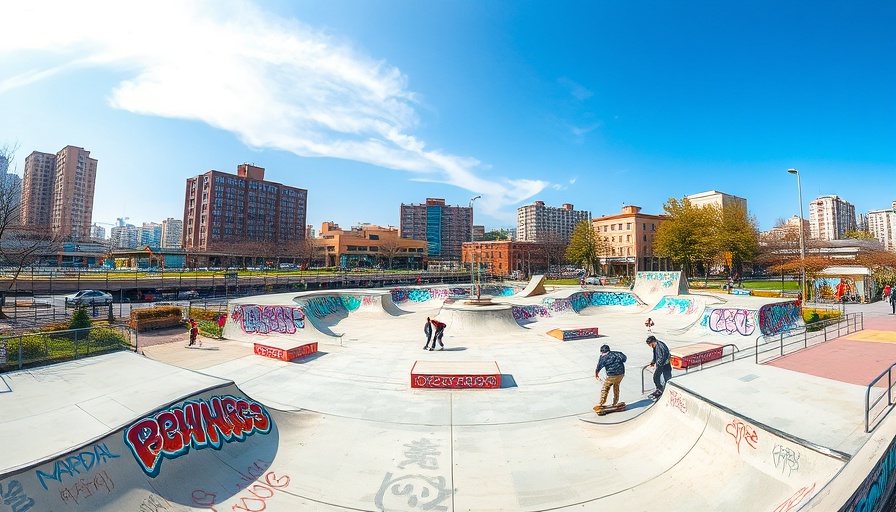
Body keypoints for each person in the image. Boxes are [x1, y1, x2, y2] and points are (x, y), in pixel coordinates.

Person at [646, 335, 671, 399]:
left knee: (665, 377)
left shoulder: (660, 347)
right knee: (657, 377)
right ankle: (660, 389)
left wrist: (658, 365)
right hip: (661, 364)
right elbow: (655, 355)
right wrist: (653, 362)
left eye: (649, 344)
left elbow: (662, 357)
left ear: (653, 342)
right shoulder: (655, 346)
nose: (649, 346)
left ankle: (665, 390)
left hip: (665, 364)